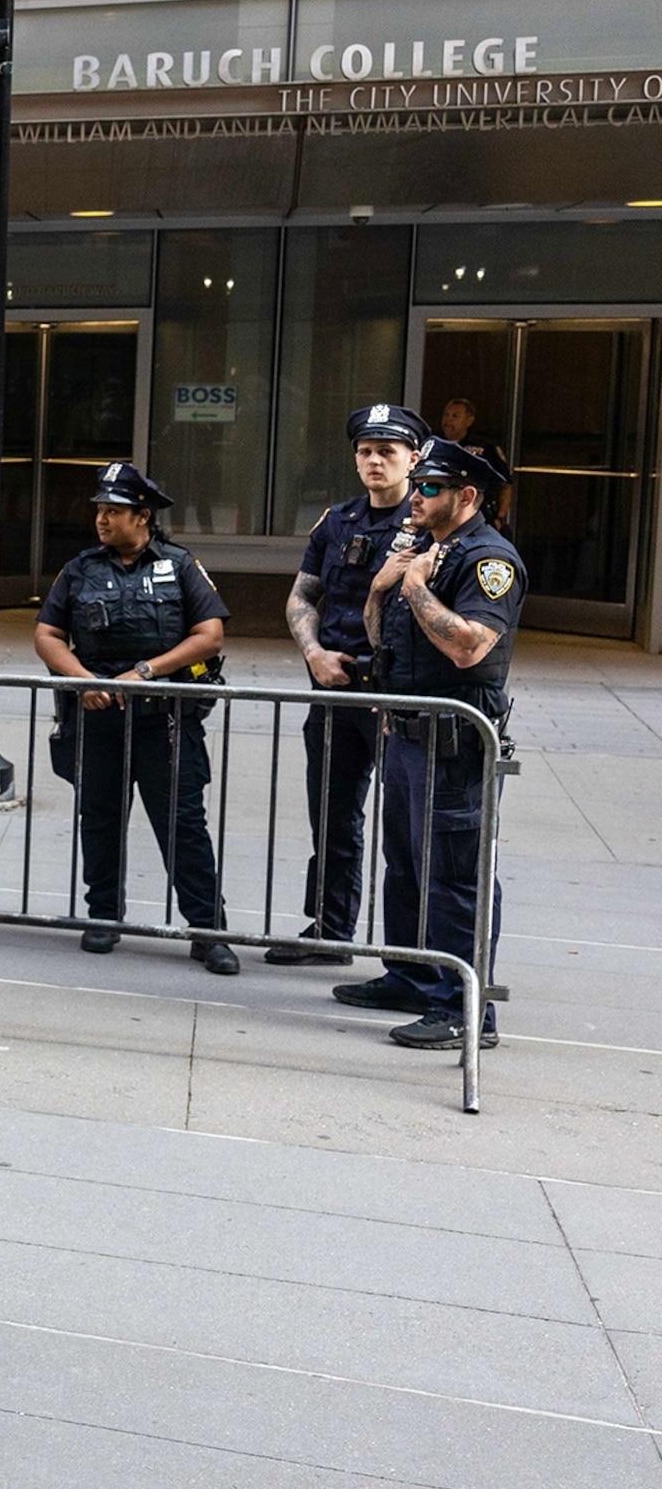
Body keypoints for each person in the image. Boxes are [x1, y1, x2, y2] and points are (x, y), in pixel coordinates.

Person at [338, 437, 525, 1051]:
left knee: (455, 877)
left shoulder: (487, 560)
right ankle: (412, 975)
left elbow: (469, 645)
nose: (415, 496)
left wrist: (415, 585)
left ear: (467, 496)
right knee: (408, 866)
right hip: (408, 734)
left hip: (456, 748)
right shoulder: (423, 549)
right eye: (418, 485)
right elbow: (382, 635)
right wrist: (378, 589)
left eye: (430, 488)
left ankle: (465, 1009)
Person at [32, 461, 239, 974]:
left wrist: (145, 672)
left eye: (114, 512)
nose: (102, 520)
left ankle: (208, 929)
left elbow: (209, 633)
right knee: (100, 819)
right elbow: (47, 635)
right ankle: (103, 914)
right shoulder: (80, 569)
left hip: (164, 719)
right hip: (98, 716)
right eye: (100, 511)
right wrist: (84, 679)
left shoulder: (180, 565)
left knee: (183, 826)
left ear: (143, 516)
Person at [271, 405, 424, 966]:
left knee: (408, 829)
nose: (374, 461)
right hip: (334, 686)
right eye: (365, 451)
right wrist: (312, 653)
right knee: (333, 815)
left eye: (387, 451)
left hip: (393, 696)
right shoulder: (337, 521)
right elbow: (302, 595)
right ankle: (329, 931)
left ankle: (412, 955)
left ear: (413, 457)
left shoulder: (429, 523)